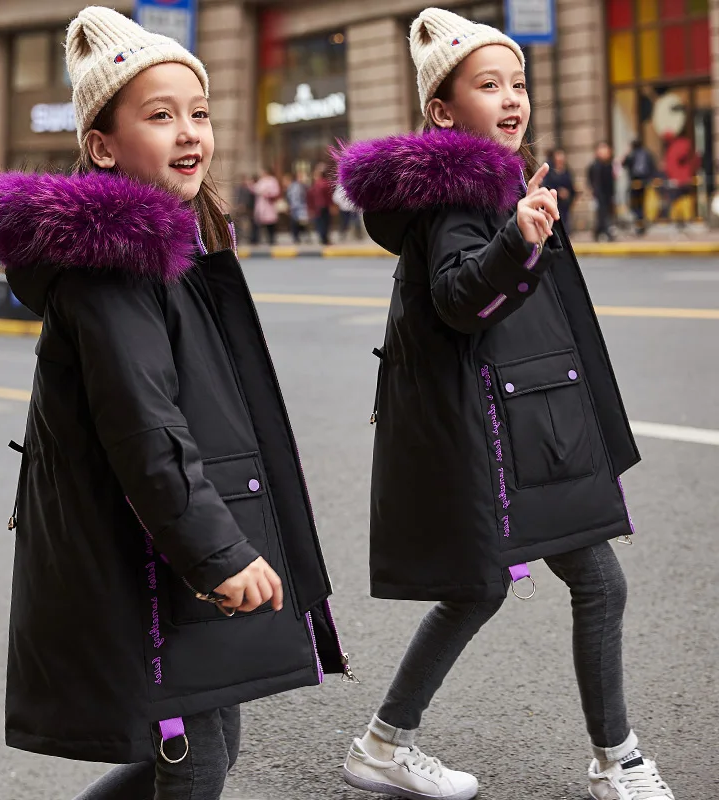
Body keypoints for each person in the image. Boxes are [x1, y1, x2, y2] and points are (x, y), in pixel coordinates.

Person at [0, 8, 347, 800]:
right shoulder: (112, 266)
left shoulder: (174, 244)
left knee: (206, 740)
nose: (189, 133)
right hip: (143, 555)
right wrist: (219, 552)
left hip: (162, 540)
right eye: (161, 115)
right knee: (193, 755)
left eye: (199, 113)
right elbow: (145, 424)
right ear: (102, 146)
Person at [335, 8, 674, 800]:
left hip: (526, 419)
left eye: (518, 82)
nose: (513, 98)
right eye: (490, 85)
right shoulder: (464, 193)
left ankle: (385, 742)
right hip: (503, 429)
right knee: (593, 583)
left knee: (483, 587)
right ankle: (616, 759)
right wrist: (515, 241)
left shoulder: (500, 177)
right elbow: (458, 297)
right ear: (443, 111)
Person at [622, 140, 656, 235]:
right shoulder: (647, 154)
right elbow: (652, 166)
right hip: (644, 182)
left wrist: (627, 153)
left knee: (635, 205)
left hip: (635, 183)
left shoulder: (632, 154)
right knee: (641, 203)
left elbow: (623, 164)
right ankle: (641, 221)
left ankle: (639, 221)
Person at [588, 141, 616, 241]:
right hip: (600, 195)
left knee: (606, 214)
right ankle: (604, 232)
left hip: (608, 194)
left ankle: (600, 231)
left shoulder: (609, 165)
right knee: (602, 214)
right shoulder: (596, 165)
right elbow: (593, 180)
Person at [543, 148, 576, 232]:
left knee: (565, 224)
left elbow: (571, 186)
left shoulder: (567, 171)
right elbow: (546, 185)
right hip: (554, 202)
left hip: (565, 204)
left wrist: (568, 193)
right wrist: (557, 191)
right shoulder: (550, 172)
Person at [253, 167, 280, 246]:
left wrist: (267, 193)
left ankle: (271, 239)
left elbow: (275, 191)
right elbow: (256, 189)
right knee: (258, 223)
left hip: (269, 204)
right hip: (261, 205)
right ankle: (256, 239)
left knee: (270, 223)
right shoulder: (261, 181)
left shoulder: (272, 180)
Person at [307, 162, 333, 245]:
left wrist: (311, 207)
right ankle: (324, 238)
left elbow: (310, 196)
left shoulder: (316, 184)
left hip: (318, 206)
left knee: (320, 222)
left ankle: (323, 238)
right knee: (325, 222)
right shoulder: (326, 183)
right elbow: (329, 196)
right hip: (324, 205)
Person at [284, 172, 309, 243]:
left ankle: (304, 236)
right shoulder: (293, 186)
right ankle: (296, 237)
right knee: (294, 223)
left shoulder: (304, 186)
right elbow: (289, 196)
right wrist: (288, 205)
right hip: (294, 207)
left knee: (302, 223)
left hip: (302, 207)